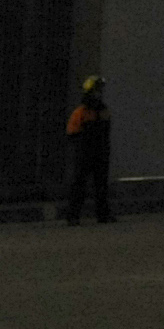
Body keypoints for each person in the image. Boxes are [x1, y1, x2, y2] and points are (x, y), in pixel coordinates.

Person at [64, 75, 114, 225]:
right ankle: (73, 216)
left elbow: (106, 131)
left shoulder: (103, 110)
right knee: (79, 185)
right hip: (85, 154)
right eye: (96, 90)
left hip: (100, 153)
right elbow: (72, 132)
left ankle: (103, 215)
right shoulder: (80, 112)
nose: (99, 93)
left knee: (101, 186)